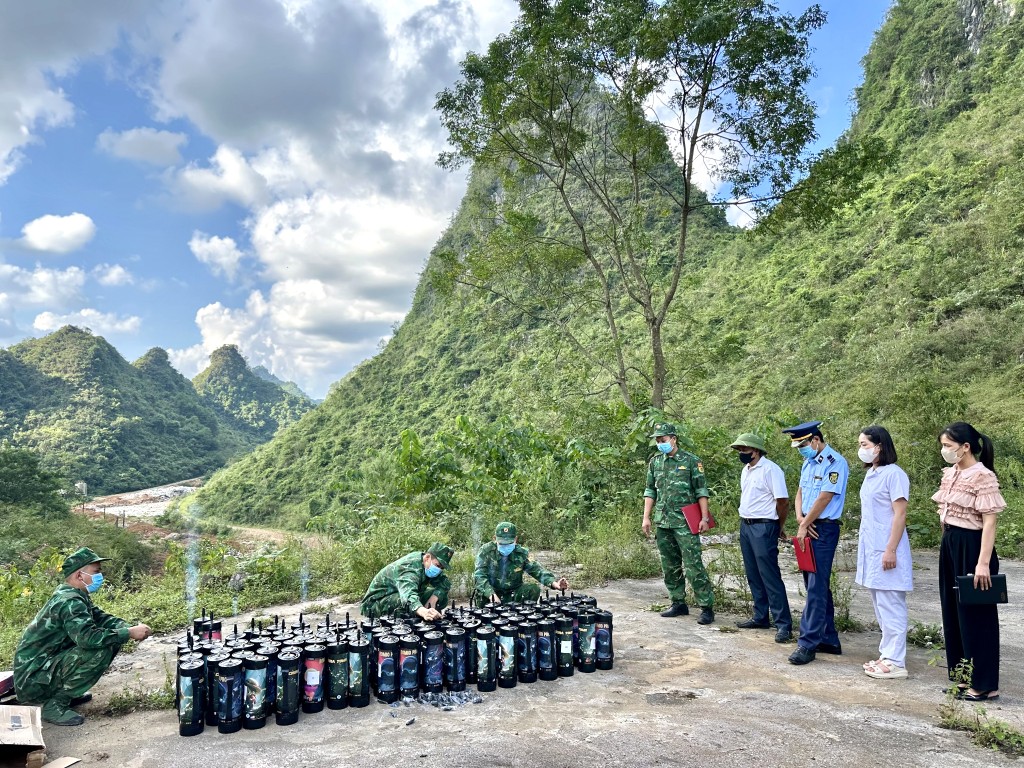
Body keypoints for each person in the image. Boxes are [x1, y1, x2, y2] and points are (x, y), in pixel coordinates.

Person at [13, 547, 152, 726]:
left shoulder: (75, 594)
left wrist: (128, 628)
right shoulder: (70, 601)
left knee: (113, 638)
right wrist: (129, 632)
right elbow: (88, 638)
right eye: (96, 571)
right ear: (80, 575)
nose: (100, 576)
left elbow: (101, 618)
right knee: (101, 648)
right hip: (32, 679)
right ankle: (55, 704)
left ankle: (68, 692)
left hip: (42, 669)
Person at [932, 422, 1005, 701]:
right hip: (951, 542)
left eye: (948, 446)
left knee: (977, 615)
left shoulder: (982, 476)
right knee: (953, 612)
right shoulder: (951, 473)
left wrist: (983, 563)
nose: (944, 450)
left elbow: (990, 522)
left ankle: (984, 684)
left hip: (972, 546)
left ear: (965, 447)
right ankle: (963, 677)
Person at [782, 420, 849, 665]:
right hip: (808, 525)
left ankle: (807, 643)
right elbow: (800, 492)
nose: (801, 450)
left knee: (816, 586)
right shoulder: (808, 463)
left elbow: (825, 496)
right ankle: (828, 638)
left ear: (816, 440)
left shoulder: (835, 462)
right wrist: (801, 519)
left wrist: (805, 524)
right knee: (813, 583)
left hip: (823, 530)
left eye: (803, 445)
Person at [642, 423, 715, 625]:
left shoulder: (691, 461)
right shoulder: (656, 462)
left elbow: (701, 491)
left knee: (693, 565)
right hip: (663, 521)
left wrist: (704, 518)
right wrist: (646, 517)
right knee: (670, 565)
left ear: (673, 439)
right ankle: (678, 602)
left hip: (685, 522)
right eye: (658, 441)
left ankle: (706, 607)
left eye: (663, 440)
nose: (660, 444)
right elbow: (650, 490)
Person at [855, 426, 912, 679]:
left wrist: (891, 549)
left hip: (888, 548)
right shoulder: (872, 474)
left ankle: (896, 662)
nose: (861, 450)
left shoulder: (894, 474)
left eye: (865, 445)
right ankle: (886, 654)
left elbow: (900, 514)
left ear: (879, 446)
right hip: (872, 547)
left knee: (891, 605)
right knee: (880, 604)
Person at [729, 432, 793, 643]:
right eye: (739, 450)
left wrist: (778, 526)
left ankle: (783, 624)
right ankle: (760, 616)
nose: (741, 453)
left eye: (744, 449)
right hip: (746, 525)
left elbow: (782, 501)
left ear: (755, 450)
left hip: (764, 525)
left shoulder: (771, 470)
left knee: (769, 575)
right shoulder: (746, 470)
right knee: (753, 573)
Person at [474, 521, 569, 606]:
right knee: (482, 597)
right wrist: (491, 595)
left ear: (515, 539)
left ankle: (519, 613)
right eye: (502, 543)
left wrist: (554, 583)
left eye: (509, 543)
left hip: (513, 593)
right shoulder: (486, 551)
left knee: (533, 589)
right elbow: (479, 575)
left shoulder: (522, 553)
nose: (506, 546)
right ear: (495, 538)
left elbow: (537, 570)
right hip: (492, 593)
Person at [360, 543, 455, 621]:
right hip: (375, 603)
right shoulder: (409, 567)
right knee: (405, 604)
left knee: (441, 597)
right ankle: (403, 626)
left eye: (442, 568)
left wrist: (433, 600)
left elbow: (445, 583)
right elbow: (407, 596)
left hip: (398, 595)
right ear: (427, 558)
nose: (439, 570)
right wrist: (423, 611)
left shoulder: (427, 564)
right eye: (437, 565)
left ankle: (425, 619)